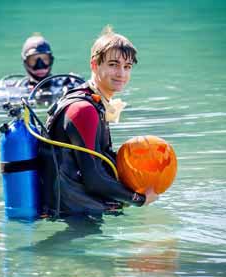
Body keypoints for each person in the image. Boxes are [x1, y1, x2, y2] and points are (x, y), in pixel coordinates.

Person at [42, 26, 158, 216]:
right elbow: (93, 179)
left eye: (127, 67)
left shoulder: (93, 103)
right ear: (95, 65)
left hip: (76, 208)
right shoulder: (84, 110)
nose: (121, 73)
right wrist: (139, 199)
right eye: (113, 64)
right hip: (74, 215)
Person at [0, 33, 83, 105]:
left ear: (51, 60)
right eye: (33, 60)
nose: (40, 65)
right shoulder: (13, 89)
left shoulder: (68, 83)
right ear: (25, 63)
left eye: (45, 59)